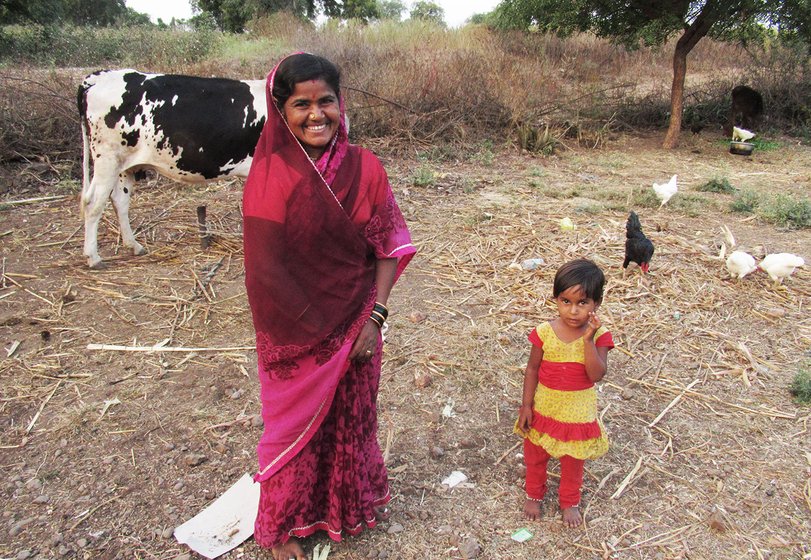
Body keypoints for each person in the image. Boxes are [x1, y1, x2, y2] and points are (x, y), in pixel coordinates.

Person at [242, 53, 416, 560]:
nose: (316, 114)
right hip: (295, 336)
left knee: (350, 421)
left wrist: (374, 319)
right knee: (289, 430)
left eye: (326, 102)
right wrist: (311, 332)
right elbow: (266, 272)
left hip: (359, 323)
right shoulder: (270, 175)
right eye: (301, 104)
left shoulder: (365, 168)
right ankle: (281, 528)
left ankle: (342, 510)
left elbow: (388, 244)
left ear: (341, 104)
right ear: (281, 111)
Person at [514, 259, 614, 528]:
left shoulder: (600, 336)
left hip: (577, 412)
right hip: (545, 407)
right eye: (565, 301)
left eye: (582, 303)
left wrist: (588, 340)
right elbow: (532, 369)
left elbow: (596, 374)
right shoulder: (544, 333)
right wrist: (526, 406)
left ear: (596, 304)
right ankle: (534, 493)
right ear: (556, 299)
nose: (573, 311)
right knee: (536, 455)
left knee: (573, 461)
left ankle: (569, 501)